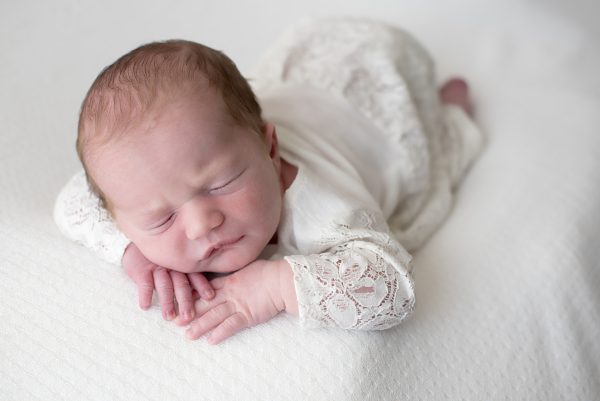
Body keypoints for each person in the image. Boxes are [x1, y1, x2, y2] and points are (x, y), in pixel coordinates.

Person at [54, 18, 482, 345]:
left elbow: (392, 290)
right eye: (161, 218)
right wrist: (132, 252)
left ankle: (448, 112)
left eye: (220, 183)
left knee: (433, 150)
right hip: (297, 103)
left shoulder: (322, 209)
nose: (202, 224)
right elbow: (75, 200)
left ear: (270, 148)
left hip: (376, 112)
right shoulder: (147, 176)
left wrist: (276, 286)